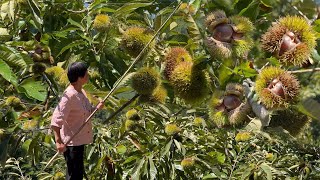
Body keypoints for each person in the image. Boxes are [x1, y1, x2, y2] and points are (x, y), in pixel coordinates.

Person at [51, 62, 104, 180]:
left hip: (79, 140)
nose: (88, 75)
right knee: (74, 175)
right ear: (80, 78)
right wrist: (58, 142)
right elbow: (56, 120)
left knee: (78, 173)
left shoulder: (81, 91)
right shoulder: (69, 96)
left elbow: (86, 112)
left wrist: (97, 108)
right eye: (86, 73)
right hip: (71, 143)